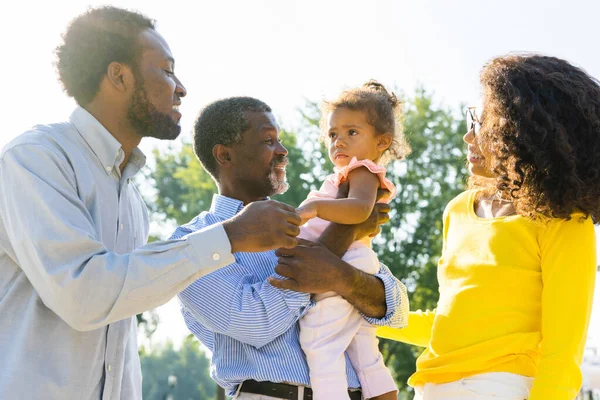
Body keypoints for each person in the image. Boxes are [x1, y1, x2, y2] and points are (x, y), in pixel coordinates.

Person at [0, 8, 301, 400]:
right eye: (167, 70)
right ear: (119, 76)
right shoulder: (36, 159)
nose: (181, 88)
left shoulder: (132, 198)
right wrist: (229, 236)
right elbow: (84, 295)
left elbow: (118, 334)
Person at [377, 54, 600, 399]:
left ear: (520, 134)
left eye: (481, 124)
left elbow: (562, 355)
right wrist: (364, 304)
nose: (468, 137)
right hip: (430, 388)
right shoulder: (458, 210)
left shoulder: (565, 223)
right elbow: (451, 325)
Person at [172, 96, 408, 400]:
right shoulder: (193, 243)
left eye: (280, 140)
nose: (283, 150)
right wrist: (346, 232)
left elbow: (397, 309)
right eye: (268, 140)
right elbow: (259, 323)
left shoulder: (305, 223)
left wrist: (341, 276)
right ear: (225, 155)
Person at [294, 81, 410, 400]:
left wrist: (314, 206)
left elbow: (360, 209)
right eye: (333, 134)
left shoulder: (361, 171)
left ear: (381, 141)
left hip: (344, 262)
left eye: (351, 132)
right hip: (354, 260)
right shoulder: (349, 173)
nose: (339, 141)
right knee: (363, 349)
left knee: (319, 344)